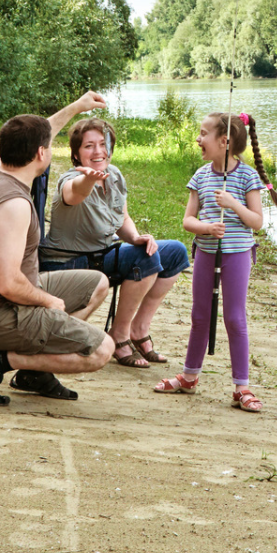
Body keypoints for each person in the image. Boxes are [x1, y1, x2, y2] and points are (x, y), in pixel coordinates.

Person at [0, 91, 116, 406]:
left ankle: (35, 369)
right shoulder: (14, 205)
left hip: (3, 300)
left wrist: (76, 107)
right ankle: (0, 362)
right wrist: (48, 301)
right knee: (101, 350)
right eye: (50, 148)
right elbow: (7, 282)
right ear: (41, 154)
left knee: (97, 283)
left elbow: (41, 132)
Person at [153, 112, 277, 412]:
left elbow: (257, 222)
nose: (199, 139)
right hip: (205, 253)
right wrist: (206, 228)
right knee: (200, 316)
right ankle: (189, 376)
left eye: (204, 133)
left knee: (234, 318)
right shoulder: (201, 176)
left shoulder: (246, 176)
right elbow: (188, 220)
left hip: (237, 255)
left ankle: (242, 387)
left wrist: (233, 204)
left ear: (224, 141)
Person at [41, 118, 191, 369]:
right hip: (68, 264)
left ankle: (138, 330)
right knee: (144, 258)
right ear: (76, 153)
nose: (98, 151)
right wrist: (88, 179)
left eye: (103, 144)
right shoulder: (71, 179)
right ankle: (118, 336)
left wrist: (135, 237)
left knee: (174, 251)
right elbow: (74, 193)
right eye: (89, 146)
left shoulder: (115, 175)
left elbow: (122, 217)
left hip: (102, 256)